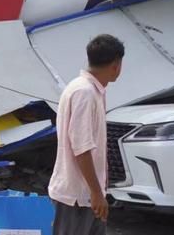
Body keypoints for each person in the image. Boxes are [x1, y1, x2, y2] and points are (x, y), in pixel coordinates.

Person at [48, 34, 125, 235]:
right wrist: (97, 193)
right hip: (78, 196)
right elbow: (81, 148)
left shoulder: (88, 89)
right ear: (116, 65)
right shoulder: (85, 92)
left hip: (86, 194)